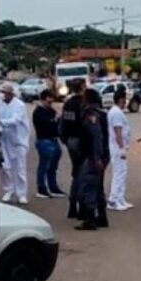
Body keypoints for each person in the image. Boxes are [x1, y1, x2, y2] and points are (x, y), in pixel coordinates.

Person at [75, 89, 109, 230]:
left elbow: (96, 136)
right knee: (98, 186)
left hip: (93, 156)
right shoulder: (101, 113)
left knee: (89, 185)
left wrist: (97, 157)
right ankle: (102, 216)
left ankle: (90, 219)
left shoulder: (91, 115)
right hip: (99, 155)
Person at [0, 81, 30, 205]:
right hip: (3, 140)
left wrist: (0, 122)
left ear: (10, 93)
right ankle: (9, 190)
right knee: (5, 167)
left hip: (18, 141)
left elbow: (15, 120)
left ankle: (21, 194)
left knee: (20, 168)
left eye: (4, 92)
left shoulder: (19, 105)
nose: (2, 94)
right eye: (1, 92)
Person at [60, 79, 87, 219]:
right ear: (82, 87)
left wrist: (65, 139)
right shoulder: (84, 103)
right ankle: (82, 206)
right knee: (83, 174)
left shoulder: (68, 104)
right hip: (81, 141)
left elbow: (63, 124)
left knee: (76, 172)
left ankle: (72, 205)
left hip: (71, 141)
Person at [32, 89, 65, 199]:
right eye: (48, 101)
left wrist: (57, 121)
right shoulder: (39, 112)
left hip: (54, 140)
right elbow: (48, 126)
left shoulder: (51, 111)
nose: (50, 103)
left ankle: (53, 187)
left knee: (53, 167)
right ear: (42, 100)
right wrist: (55, 120)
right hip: (44, 140)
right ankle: (41, 188)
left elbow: (57, 125)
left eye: (51, 101)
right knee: (44, 165)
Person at [107, 86, 133, 211]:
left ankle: (120, 198)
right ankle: (113, 199)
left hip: (118, 146)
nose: (126, 102)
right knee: (119, 173)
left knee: (122, 172)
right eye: (124, 100)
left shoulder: (115, 111)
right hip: (117, 147)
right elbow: (118, 131)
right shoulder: (116, 113)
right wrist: (121, 147)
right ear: (120, 100)